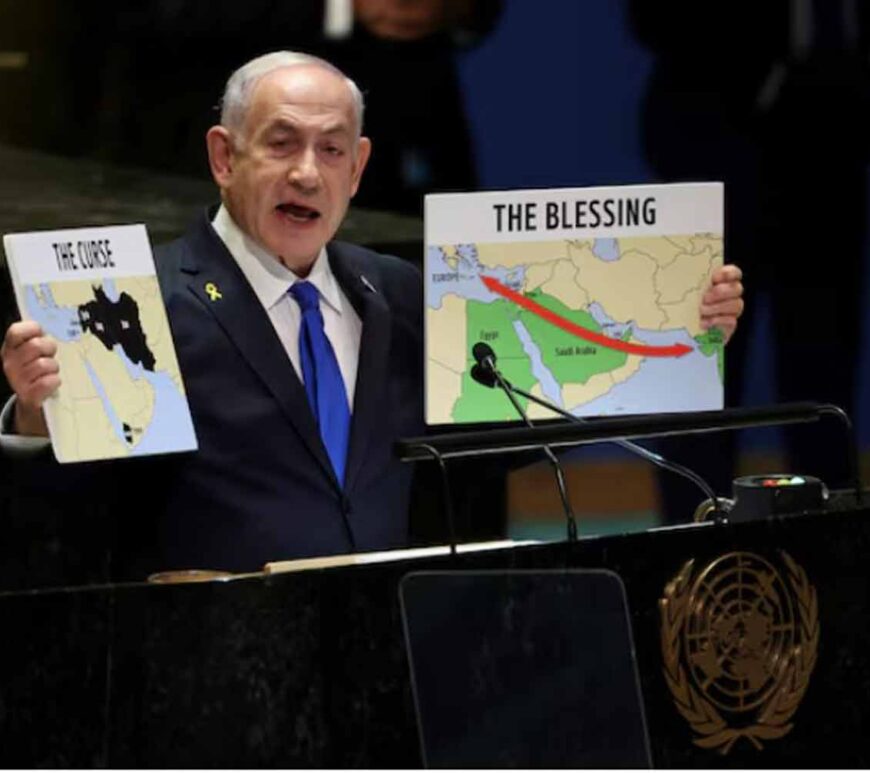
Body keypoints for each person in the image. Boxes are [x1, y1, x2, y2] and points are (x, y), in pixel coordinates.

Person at [0, 51, 745, 582]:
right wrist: (37, 417)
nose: (306, 172)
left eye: (330, 151)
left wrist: (682, 332)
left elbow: (503, 426)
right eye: (282, 143)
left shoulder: (395, 291)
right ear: (224, 157)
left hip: (378, 653)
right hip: (211, 667)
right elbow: (76, 509)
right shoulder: (144, 297)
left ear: (357, 169)